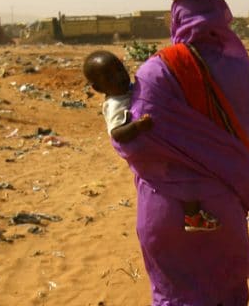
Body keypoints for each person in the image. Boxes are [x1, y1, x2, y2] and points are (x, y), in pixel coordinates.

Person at [111, 0, 249, 306]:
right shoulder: (239, 68)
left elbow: (134, 143)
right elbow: (245, 134)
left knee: (170, 295)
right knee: (218, 286)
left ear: (177, 18)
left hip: (165, 208)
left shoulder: (156, 70)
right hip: (219, 204)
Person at [84, 49, 221, 232]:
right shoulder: (114, 104)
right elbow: (117, 133)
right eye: (109, 77)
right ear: (98, 88)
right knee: (184, 177)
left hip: (158, 148)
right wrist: (138, 126)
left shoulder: (129, 90)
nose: (119, 77)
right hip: (150, 154)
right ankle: (193, 218)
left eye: (120, 70)